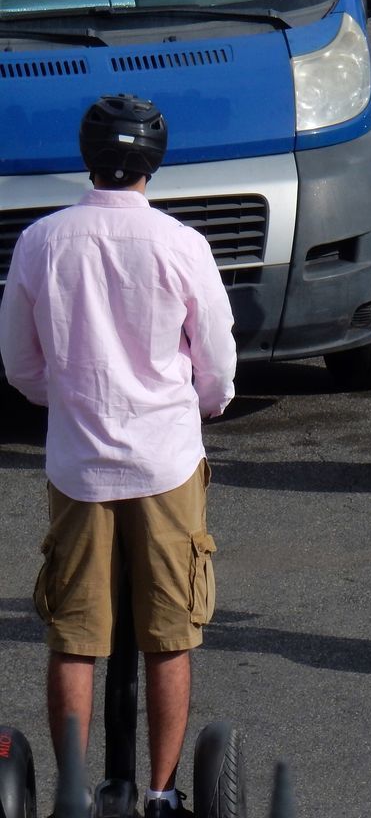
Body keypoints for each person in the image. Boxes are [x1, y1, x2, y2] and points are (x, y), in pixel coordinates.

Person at [0, 95, 236, 818]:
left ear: (88, 156)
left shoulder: (42, 241)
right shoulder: (180, 244)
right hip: (164, 463)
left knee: (75, 638)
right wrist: (195, 406)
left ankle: (73, 794)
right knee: (169, 636)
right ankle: (162, 794)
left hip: (79, 467)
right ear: (153, 164)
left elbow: (19, 363)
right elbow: (218, 364)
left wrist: (70, 401)